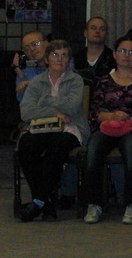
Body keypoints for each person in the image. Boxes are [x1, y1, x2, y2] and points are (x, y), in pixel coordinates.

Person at [82, 36, 132, 225]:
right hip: (109, 126)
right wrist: (111, 116)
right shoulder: (104, 81)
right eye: (123, 51)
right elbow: (94, 113)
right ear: (115, 54)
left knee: (131, 147)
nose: (127, 56)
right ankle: (94, 203)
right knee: (93, 147)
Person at [17, 40, 89, 222]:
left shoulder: (76, 80)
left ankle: (38, 202)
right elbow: (26, 112)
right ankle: (46, 203)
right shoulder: (36, 82)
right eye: (55, 55)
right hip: (42, 128)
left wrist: (44, 101)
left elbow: (71, 108)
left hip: (69, 129)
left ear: (69, 59)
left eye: (64, 55)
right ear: (47, 59)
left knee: (57, 147)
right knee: (26, 144)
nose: (60, 59)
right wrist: (55, 112)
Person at [73, 17, 114, 86]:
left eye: (102, 29)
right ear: (85, 33)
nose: (97, 31)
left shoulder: (113, 59)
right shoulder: (76, 58)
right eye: (93, 28)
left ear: (106, 34)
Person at [12, 31, 48, 102]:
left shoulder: (62, 62)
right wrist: (19, 72)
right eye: (26, 49)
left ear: (47, 43)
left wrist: (33, 84)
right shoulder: (28, 71)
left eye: (35, 44)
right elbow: (21, 99)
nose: (31, 49)